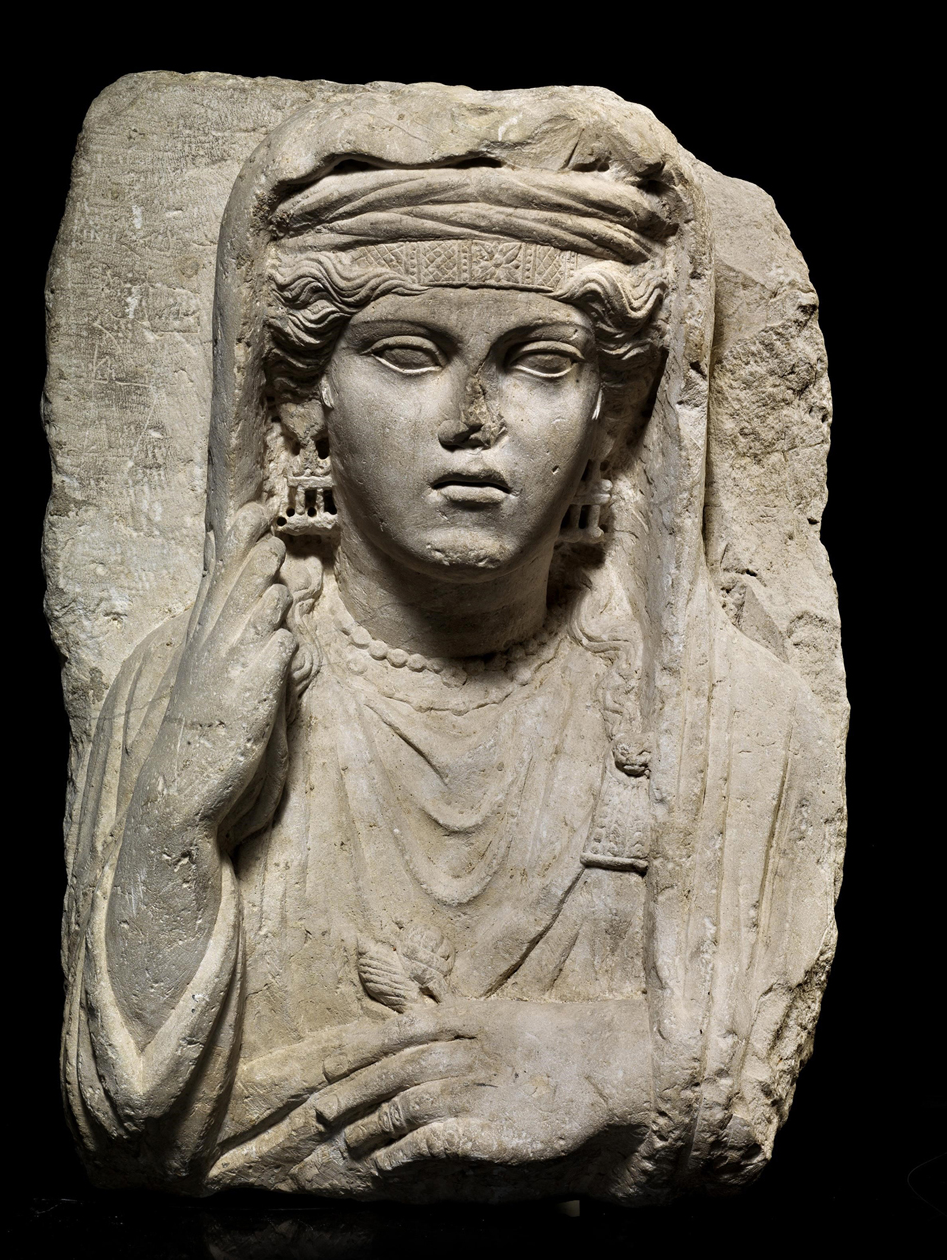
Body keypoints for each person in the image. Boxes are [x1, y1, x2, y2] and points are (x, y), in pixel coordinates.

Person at [61, 85, 843, 1202]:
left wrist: (622, 1073)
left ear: (610, 416)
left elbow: (730, 1093)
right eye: (405, 352)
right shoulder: (188, 689)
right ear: (307, 400)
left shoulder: (733, 724)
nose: (472, 417)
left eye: (540, 362)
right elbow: (133, 1120)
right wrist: (181, 809)